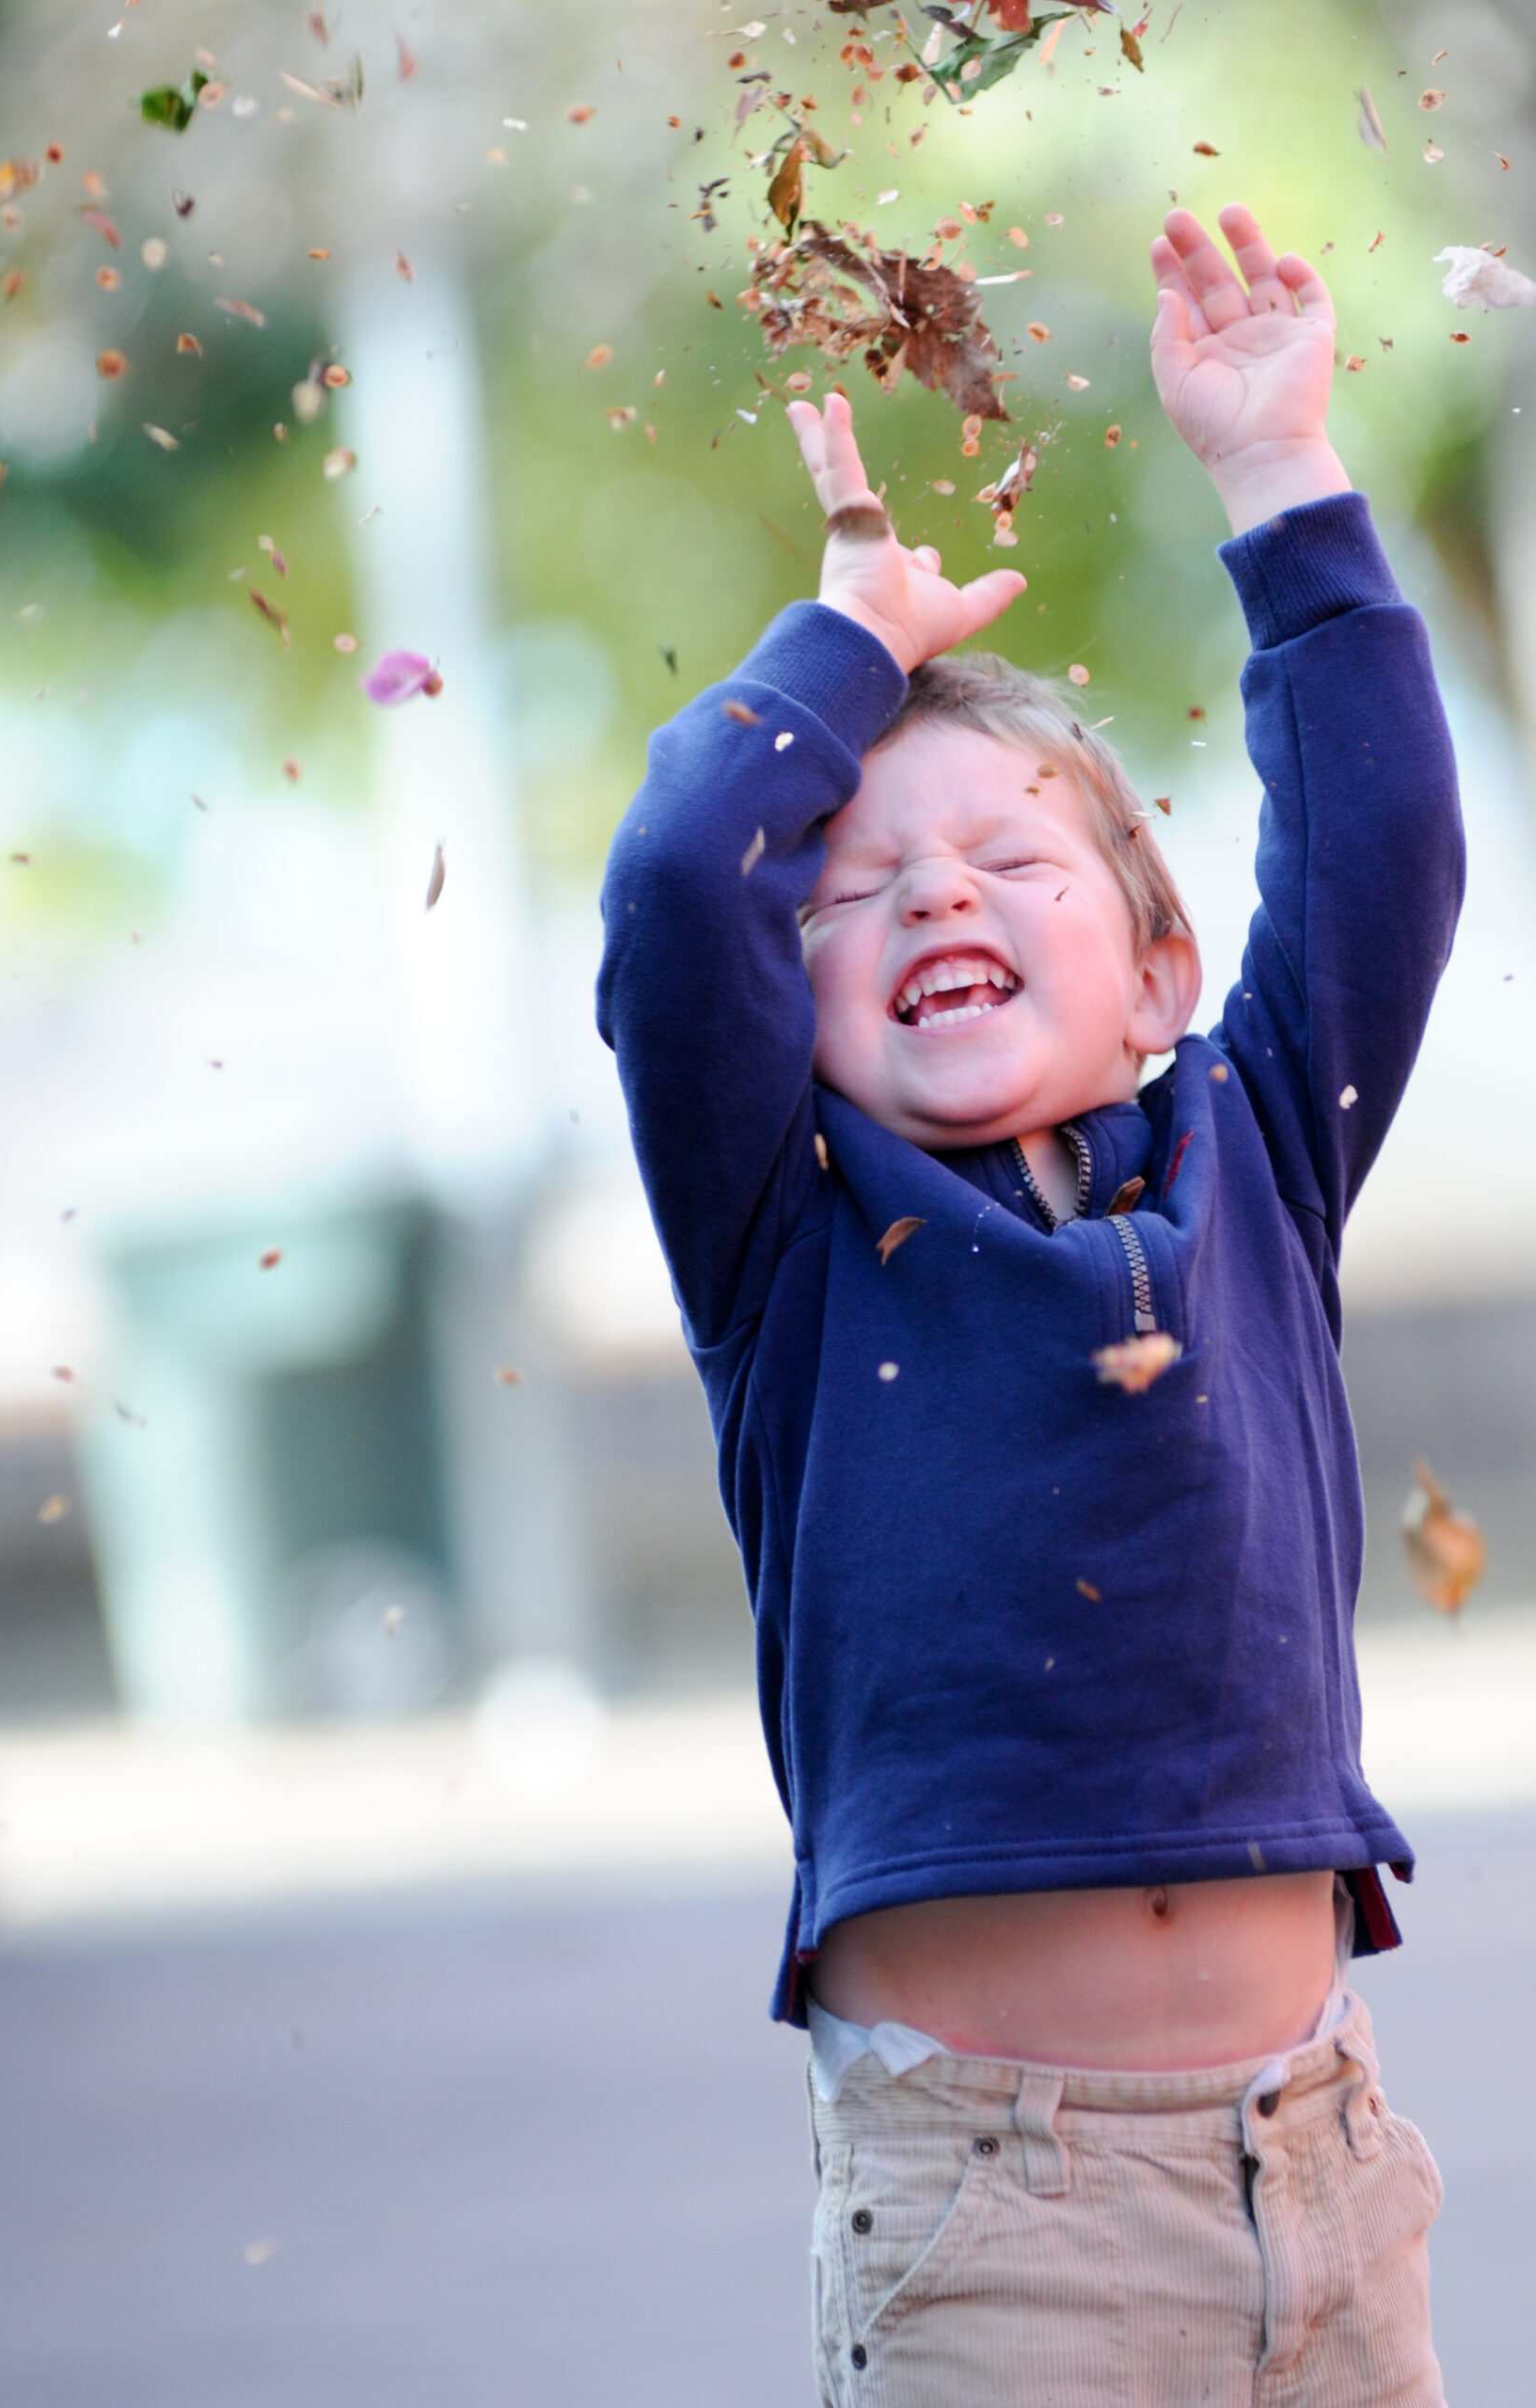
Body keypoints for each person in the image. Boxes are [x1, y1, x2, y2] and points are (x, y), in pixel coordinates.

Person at [597, 203, 1462, 2406]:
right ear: (790, 1020)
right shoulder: (785, 1239)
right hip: (994, 2205)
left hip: (1319, 2161)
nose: (932, 891)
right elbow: (681, 880)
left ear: (1158, 972)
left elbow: (1382, 848)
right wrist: (842, 649)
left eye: (1006, 858)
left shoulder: (1256, 1150)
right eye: (857, 885)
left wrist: (1276, 471)